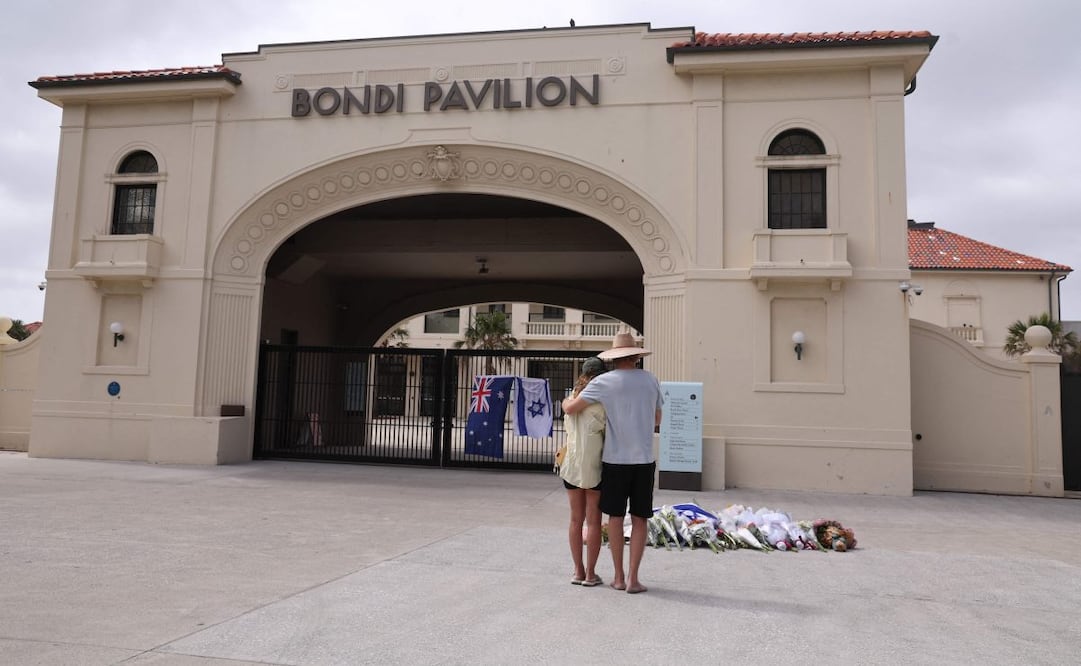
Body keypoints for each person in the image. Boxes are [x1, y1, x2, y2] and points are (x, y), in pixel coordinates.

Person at [561, 333, 662, 594]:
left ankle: (617, 577)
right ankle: (633, 579)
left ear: (614, 358)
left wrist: (564, 401)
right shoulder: (650, 380)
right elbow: (657, 419)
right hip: (644, 460)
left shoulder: (603, 382)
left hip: (615, 460)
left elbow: (572, 408)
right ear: (637, 356)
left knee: (615, 518)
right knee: (640, 519)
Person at [558, 356, 607, 587]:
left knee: (575, 520)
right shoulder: (602, 403)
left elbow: (567, 410)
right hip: (594, 467)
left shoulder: (571, 399)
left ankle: (577, 571)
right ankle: (590, 573)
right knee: (594, 522)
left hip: (571, 466)